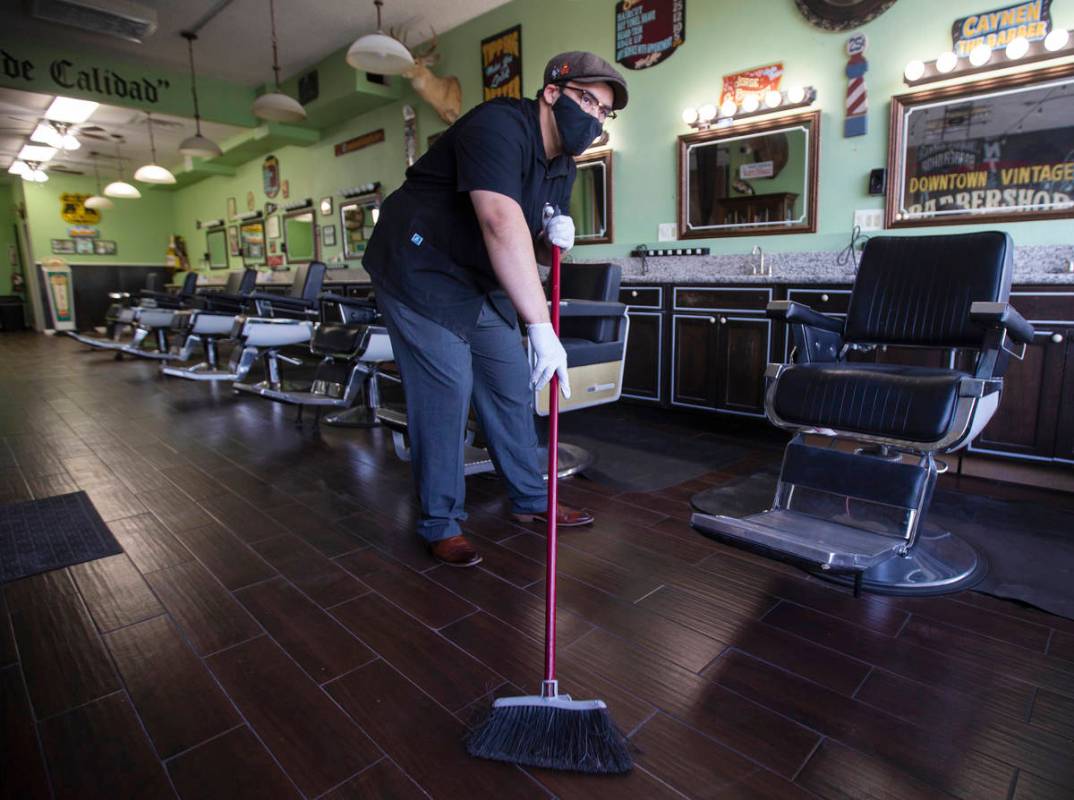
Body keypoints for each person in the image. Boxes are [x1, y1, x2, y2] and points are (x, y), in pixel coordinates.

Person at [362, 52, 628, 567]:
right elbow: (500, 223)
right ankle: (440, 522)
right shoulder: (499, 124)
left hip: (477, 277)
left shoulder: (563, 166)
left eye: (604, 112)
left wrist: (558, 235)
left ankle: (532, 499)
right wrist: (540, 327)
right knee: (446, 391)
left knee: (509, 383)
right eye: (588, 101)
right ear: (552, 92)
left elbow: (534, 233)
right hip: (420, 267)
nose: (594, 118)